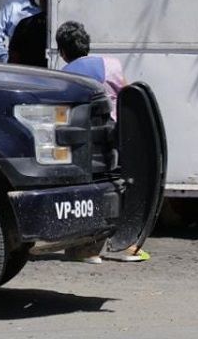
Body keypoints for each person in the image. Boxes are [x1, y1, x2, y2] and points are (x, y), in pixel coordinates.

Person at [55, 21, 147, 263]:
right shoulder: (111, 65)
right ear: (87, 44)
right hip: (115, 139)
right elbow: (129, 97)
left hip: (84, 146)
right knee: (118, 188)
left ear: (62, 51)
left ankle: (87, 249)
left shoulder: (63, 75)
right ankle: (127, 246)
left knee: (88, 193)